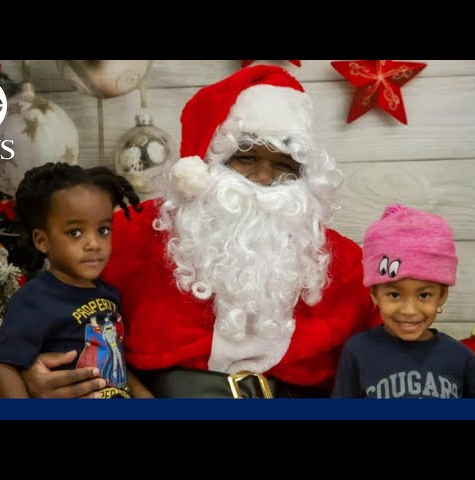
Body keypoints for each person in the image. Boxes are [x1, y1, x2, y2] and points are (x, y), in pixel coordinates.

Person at [20, 64, 381, 398]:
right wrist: (34, 369)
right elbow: (53, 300)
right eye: (247, 158)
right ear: (208, 162)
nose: (264, 179)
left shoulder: (340, 263)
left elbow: (394, 349)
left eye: (284, 165)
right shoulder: (134, 233)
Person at [0, 162, 149, 399]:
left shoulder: (109, 294)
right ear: (42, 241)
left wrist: (143, 395)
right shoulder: (34, 300)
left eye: (103, 230)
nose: (93, 244)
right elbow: (3, 366)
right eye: (75, 232)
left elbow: (116, 356)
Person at [331, 204, 475, 399]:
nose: (409, 310)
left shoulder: (459, 355)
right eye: (394, 295)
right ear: (374, 294)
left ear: (441, 296)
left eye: (424, 295)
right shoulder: (357, 352)